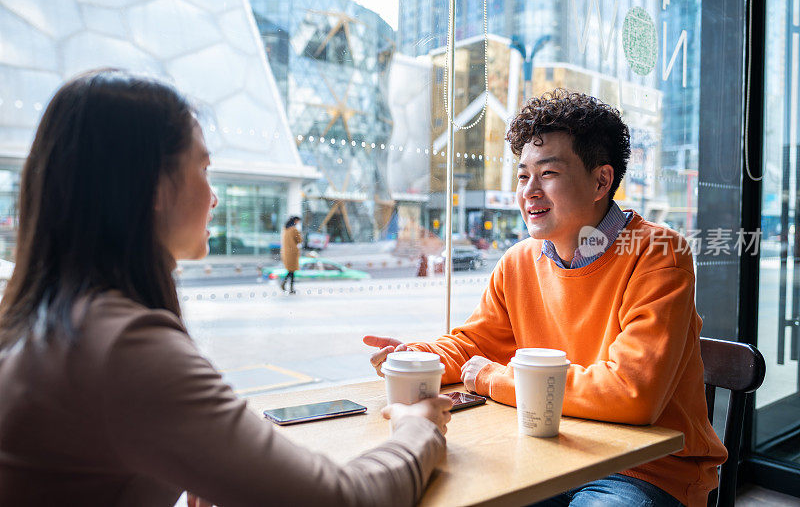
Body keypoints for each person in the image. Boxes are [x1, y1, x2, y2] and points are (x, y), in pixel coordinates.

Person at [0, 69, 452, 506]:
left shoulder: (48, 322)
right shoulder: (123, 345)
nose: (213, 197)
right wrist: (417, 427)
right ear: (154, 186)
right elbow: (342, 499)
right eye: (204, 169)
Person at [365, 89, 726, 507]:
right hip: (546, 449)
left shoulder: (659, 253)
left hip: (644, 469)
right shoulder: (519, 260)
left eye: (548, 173)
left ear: (601, 180)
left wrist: (493, 379)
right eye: (522, 176)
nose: (529, 191)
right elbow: (473, 345)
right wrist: (414, 357)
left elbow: (633, 394)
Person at [281, 215, 302, 294]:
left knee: (291, 270)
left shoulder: (286, 229)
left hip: (286, 252)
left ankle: (287, 286)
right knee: (292, 270)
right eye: (298, 221)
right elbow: (299, 240)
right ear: (295, 221)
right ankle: (288, 286)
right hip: (292, 252)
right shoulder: (294, 230)